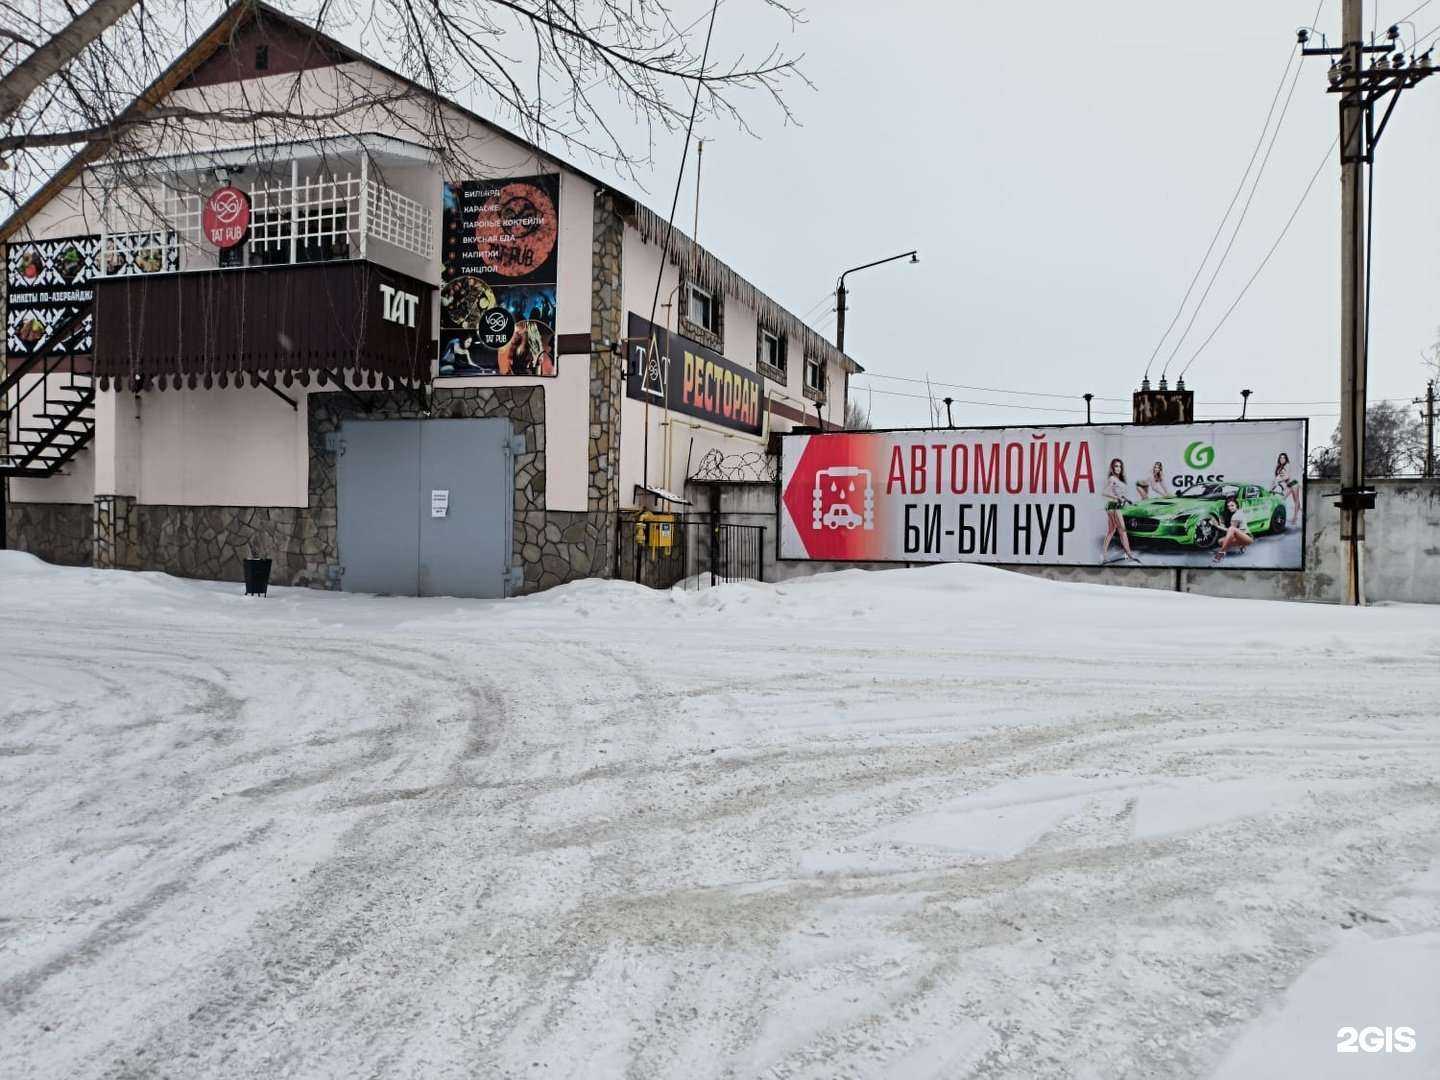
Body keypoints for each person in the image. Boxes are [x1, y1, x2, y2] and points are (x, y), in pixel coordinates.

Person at [1102, 457, 1140, 563]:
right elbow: (1104, 492)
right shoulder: (1112, 479)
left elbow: (1118, 493)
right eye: (1116, 466)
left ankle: (1104, 555)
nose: (1118, 468)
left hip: (1112, 506)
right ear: (1112, 468)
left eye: (1120, 466)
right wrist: (1117, 498)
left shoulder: (1117, 480)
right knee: (1122, 530)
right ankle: (1129, 554)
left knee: (1111, 531)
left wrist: (1126, 500)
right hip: (1114, 506)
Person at [1212, 495, 1253, 563]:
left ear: (1236, 505)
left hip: (1247, 537)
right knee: (1220, 541)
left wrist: (1217, 526)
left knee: (1231, 529)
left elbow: (1230, 530)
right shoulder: (1239, 511)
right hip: (1240, 537)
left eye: (1232, 505)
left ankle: (1221, 552)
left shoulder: (1236, 516)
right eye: (1228, 506)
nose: (1230, 508)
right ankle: (1242, 545)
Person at [1272, 452, 1301, 527]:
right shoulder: (1279, 466)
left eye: (1283, 457)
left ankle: (1295, 518)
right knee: (1282, 499)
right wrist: (1275, 483)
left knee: (1295, 500)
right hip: (1289, 484)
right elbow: (1278, 477)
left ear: (1286, 459)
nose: (1282, 459)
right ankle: (1296, 515)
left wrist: (1278, 481)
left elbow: (1287, 476)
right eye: (1281, 457)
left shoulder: (1287, 465)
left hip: (1293, 483)